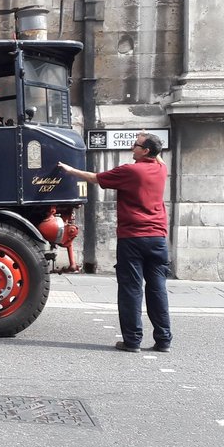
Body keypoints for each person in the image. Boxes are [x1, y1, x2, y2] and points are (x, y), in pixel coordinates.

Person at [56, 132, 172, 353]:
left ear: (145, 151)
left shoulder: (130, 171)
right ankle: (164, 340)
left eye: (136, 145)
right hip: (158, 238)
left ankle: (132, 341)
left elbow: (94, 177)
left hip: (133, 238)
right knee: (158, 289)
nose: (132, 147)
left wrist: (69, 170)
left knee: (131, 289)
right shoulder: (161, 169)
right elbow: (159, 156)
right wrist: (145, 136)